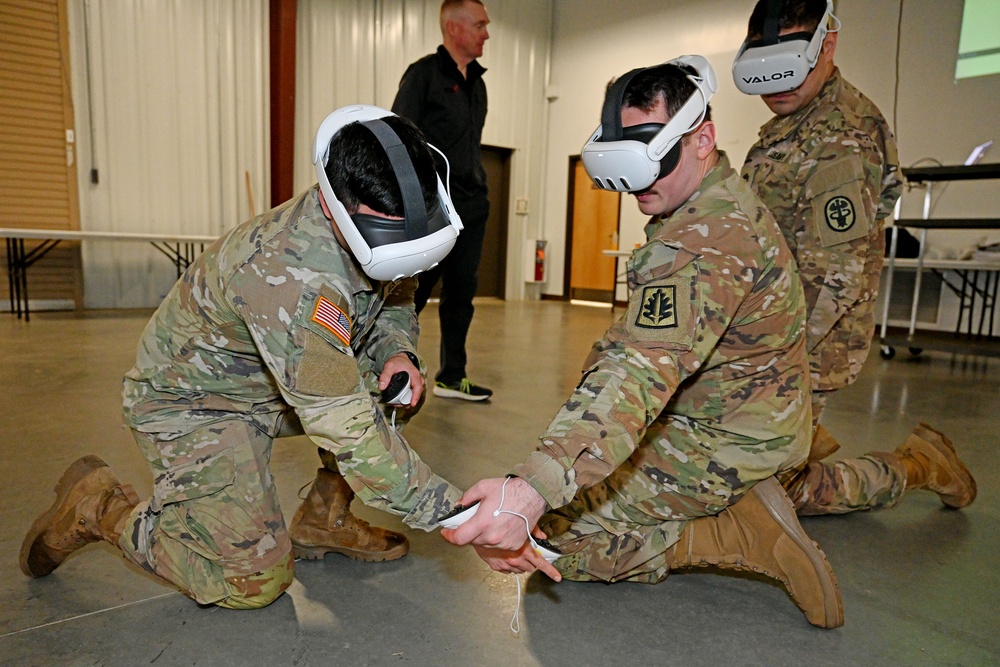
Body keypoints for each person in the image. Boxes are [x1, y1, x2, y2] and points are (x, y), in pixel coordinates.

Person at [443, 57, 845, 628]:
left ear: (703, 139)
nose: (638, 185)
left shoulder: (704, 240)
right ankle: (911, 467)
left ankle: (734, 531)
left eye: (652, 158)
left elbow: (638, 371)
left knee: (558, 542)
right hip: (744, 416)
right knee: (817, 487)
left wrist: (532, 489)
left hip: (724, 438)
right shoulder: (706, 204)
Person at [20, 106, 466, 610]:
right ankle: (98, 506)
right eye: (391, 239)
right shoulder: (290, 276)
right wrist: (458, 514)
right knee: (253, 583)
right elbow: (349, 430)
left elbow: (397, 297)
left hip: (274, 382)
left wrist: (397, 351)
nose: (402, 250)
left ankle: (323, 519)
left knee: (398, 391)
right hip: (195, 401)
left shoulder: (381, 220)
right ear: (334, 203)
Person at [737, 0, 976, 516]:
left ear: (827, 44)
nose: (775, 82)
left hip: (801, 345)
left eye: (789, 61)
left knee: (771, 502)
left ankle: (919, 464)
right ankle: (798, 444)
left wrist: (768, 360)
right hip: (769, 336)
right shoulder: (791, 124)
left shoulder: (841, 137)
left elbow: (834, 281)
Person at [391, 0, 493, 402]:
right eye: (480, 25)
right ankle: (388, 363)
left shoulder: (478, 84)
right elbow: (400, 136)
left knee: (461, 293)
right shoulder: (423, 76)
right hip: (433, 206)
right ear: (454, 28)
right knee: (410, 293)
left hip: (472, 203)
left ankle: (453, 374)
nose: (487, 33)